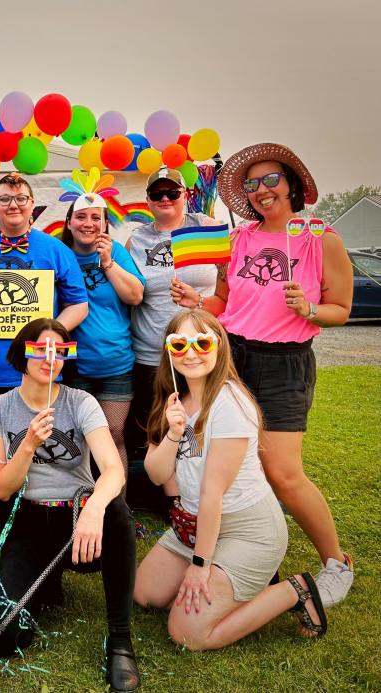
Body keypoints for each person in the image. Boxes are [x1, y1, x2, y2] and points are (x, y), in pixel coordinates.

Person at [170, 143, 354, 606]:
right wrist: (199, 306)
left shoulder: (320, 238)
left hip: (284, 362)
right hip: (232, 357)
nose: (262, 190)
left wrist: (309, 308)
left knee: (282, 470)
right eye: (251, 184)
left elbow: (342, 310)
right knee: (233, 463)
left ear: (292, 184)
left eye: (271, 180)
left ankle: (336, 562)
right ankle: (248, 553)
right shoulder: (240, 240)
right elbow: (226, 303)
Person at [134, 310, 328, 648]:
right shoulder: (174, 398)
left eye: (202, 342)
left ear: (220, 346)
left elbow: (213, 495)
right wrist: (175, 433)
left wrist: (199, 566)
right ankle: (222, 579)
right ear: (168, 351)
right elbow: (156, 473)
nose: (190, 352)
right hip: (195, 525)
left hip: (248, 531)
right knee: (144, 594)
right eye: (179, 344)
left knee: (187, 634)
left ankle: (294, 590)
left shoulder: (230, 403)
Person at [0, 318, 138, 693]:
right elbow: (1, 489)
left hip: (79, 521)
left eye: (60, 351)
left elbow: (113, 470)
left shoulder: (80, 402)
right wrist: (29, 445)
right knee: (2, 641)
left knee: (116, 508)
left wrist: (94, 508)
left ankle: (120, 639)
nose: (50, 358)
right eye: (40, 349)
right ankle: (44, 580)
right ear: (23, 352)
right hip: (29, 523)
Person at [0, 172, 88, 435]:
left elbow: (79, 304)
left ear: (33, 204)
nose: (13, 205)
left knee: (42, 451)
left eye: (21, 198)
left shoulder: (55, 249)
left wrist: (50, 334)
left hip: (40, 369)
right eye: (5, 199)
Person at [124, 167, 220, 512]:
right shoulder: (137, 239)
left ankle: (200, 496)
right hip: (152, 351)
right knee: (159, 424)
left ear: (185, 195)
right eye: (157, 194)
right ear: (148, 200)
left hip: (202, 350)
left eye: (172, 193)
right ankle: (172, 500)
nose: (165, 199)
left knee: (200, 425)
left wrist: (200, 301)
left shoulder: (206, 228)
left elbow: (232, 284)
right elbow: (126, 285)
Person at [58, 177, 145, 479]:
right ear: (68, 222)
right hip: (72, 366)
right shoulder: (57, 253)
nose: (88, 223)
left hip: (115, 363)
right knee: (77, 439)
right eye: (80, 216)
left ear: (105, 223)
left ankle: (119, 509)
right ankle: (82, 503)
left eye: (96, 217)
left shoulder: (117, 253)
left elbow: (135, 295)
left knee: (113, 435)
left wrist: (107, 262)